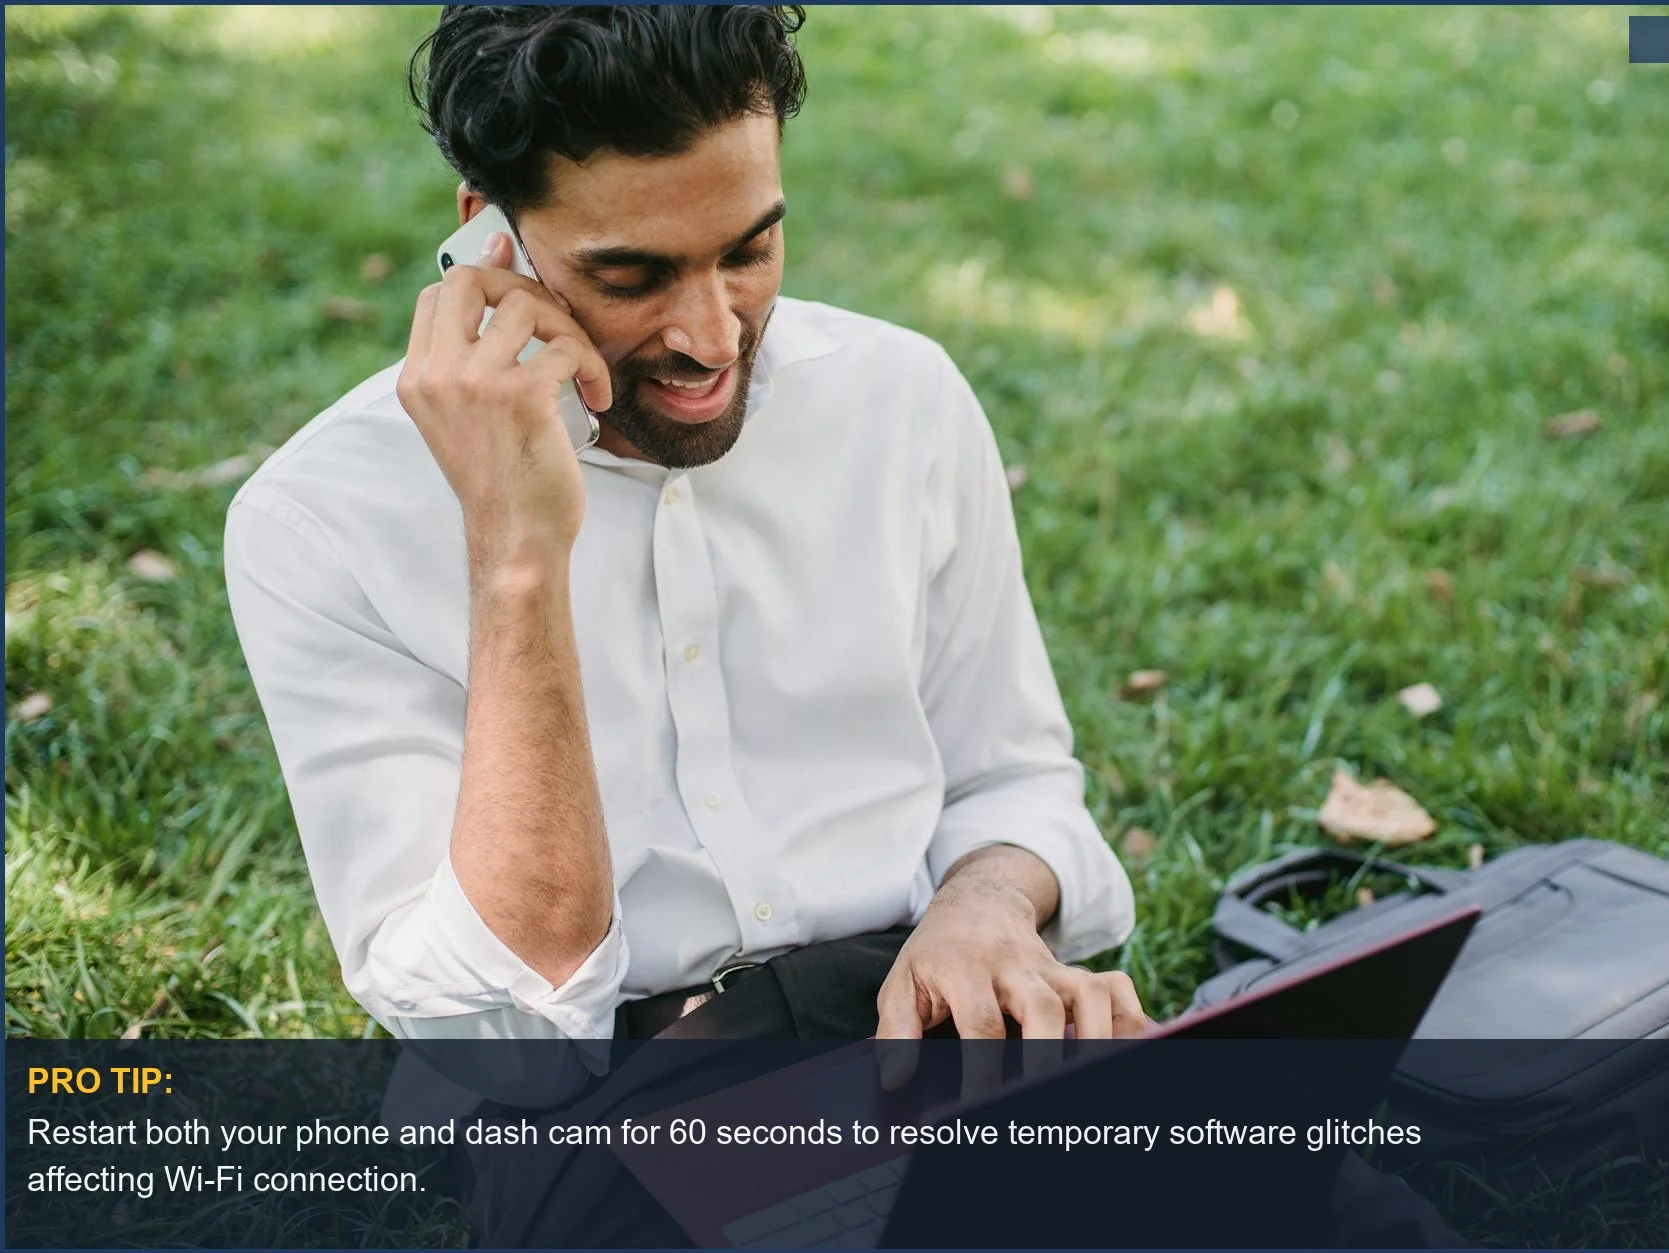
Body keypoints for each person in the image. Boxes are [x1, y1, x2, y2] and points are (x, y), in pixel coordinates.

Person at [224, 3, 1144, 1087]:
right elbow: (501, 1023)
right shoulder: (319, 519)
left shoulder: (900, 400)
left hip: (922, 1010)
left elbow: (1013, 775)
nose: (712, 339)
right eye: (631, 276)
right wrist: (515, 554)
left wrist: (983, 908)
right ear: (490, 237)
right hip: (614, 1087)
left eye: (749, 249)